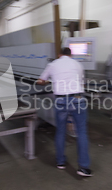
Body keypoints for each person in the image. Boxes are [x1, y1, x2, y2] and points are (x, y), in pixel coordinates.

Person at [37, 47, 92, 177]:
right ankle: (83, 168)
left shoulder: (53, 64)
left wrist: (49, 81)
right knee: (82, 132)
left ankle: (60, 162)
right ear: (71, 55)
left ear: (59, 54)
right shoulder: (78, 64)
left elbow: (40, 81)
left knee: (61, 131)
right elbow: (81, 83)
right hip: (78, 99)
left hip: (61, 101)